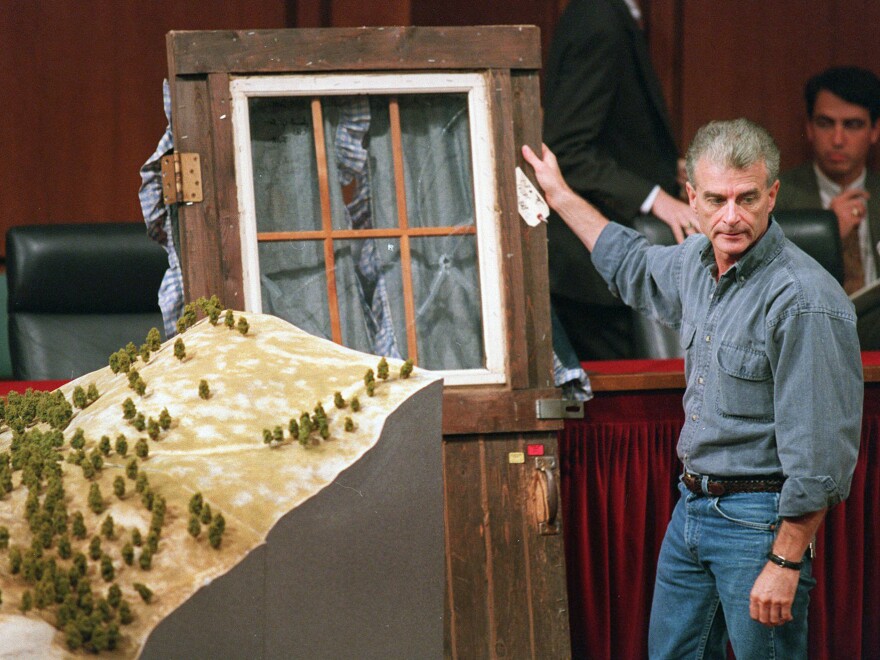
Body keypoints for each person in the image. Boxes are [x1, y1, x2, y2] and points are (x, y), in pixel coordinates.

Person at [522, 118, 862, 657]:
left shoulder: (803, 300)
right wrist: (560, 195)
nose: (731, 216)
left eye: (747, 198)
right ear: (691, 199)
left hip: (762, 523)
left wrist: (785, 559)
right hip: (692, 509)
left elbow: (821, 455)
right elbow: (627, 259)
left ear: (772, 195)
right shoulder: (696, 263)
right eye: (716, 199)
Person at [542, 0, 696, 359]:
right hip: (593, 276)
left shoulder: (602, 14)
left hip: (602, 270)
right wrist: (656, 196)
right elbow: (567, 149)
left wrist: (662, 170)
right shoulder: (598, 18)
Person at [776, 66, 880, 295]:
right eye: (825, 123)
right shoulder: (776, 196)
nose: (838, 139)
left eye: (852, 125)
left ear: (874, 130)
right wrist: (828, 234)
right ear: (810, 128)